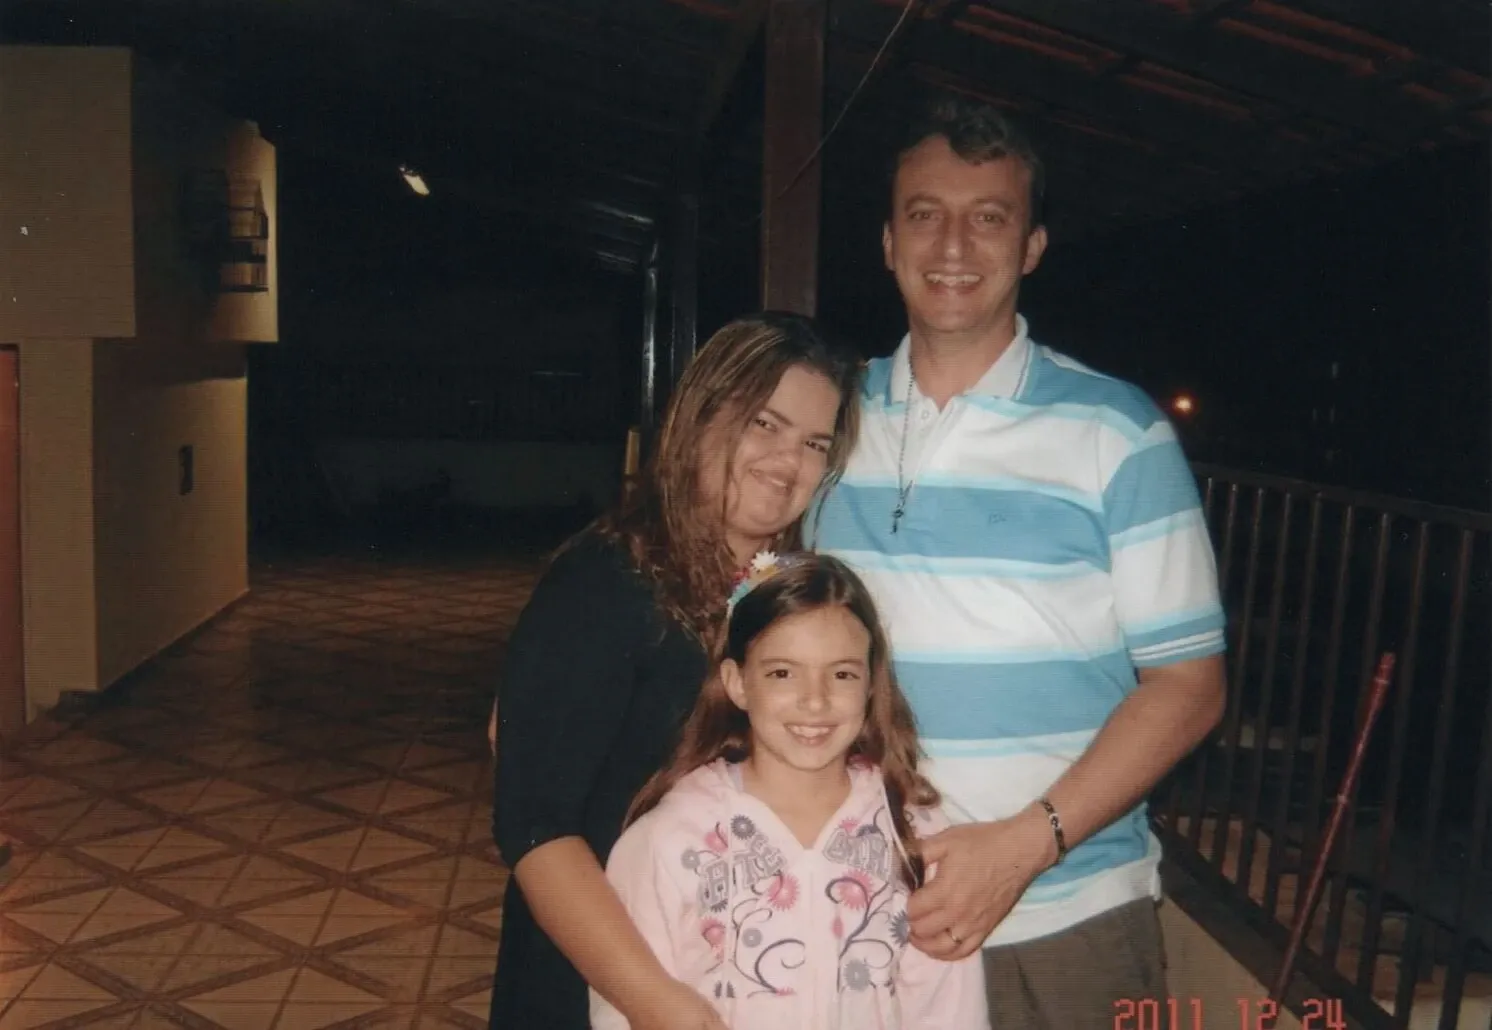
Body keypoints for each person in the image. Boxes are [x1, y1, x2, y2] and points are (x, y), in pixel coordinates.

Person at [810, 95, 1229, 1027]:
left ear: (1032, 245)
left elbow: (1189, 688)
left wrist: (1021, 847)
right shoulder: (826, 425)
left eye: (988, 217)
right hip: (859, 905)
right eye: (925, 214)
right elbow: (731, 571)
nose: (952, 244)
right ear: (887, 240)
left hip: (1068, 914)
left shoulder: (1118, 433)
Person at [489, 312, 863, 1030]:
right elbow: (536, 830)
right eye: (764, 423)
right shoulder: (606, 581)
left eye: (814, 442)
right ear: (702, 418)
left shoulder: (778, 593)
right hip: (603, 978)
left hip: (731, 968)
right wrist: (657, 1003)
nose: (787, 461)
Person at [591, 553, 989, 1030]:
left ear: (869, 684)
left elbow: (949, 1010)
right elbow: (624, 1008)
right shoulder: (667, 839)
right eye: (783, 672)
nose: (815, 700)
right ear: (737, 683)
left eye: (842, 673)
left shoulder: (917, 833)